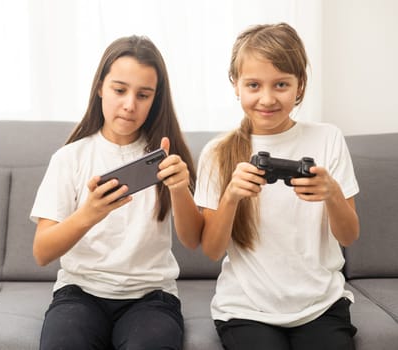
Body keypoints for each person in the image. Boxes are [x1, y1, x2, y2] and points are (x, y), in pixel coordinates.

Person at [30, 35, 203, 350]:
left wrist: (180, 190)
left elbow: (193, 240)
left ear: (155, 100)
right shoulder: (71, 158)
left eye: (143, 94)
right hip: (79, 293)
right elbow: (42, 251)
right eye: (119, 90)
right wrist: (89, 214)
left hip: (152, 297)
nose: (129, 105)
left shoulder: (167, 158)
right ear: (100, 88)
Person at [194, 23, 359, 350]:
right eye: (253, 85)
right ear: (236, 85)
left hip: (320, 305)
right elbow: (211, 250)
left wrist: (333, 195)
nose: (267, 98)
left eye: (281, 84)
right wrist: (231, 196)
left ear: (300, 86)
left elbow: (349, 236)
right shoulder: (217, 152)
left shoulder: (328, 138)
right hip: (245, 308)